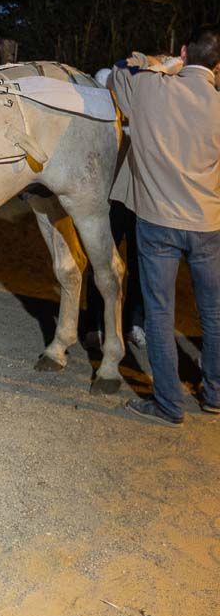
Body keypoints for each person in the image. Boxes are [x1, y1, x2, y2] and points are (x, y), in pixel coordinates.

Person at [110, 26, 220, 425]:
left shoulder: (152, 89)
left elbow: (117, 71)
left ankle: (169, 404)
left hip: (158, 221)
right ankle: (215, 393)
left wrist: (160, 64)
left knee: (160, 313)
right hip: (208, 224)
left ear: (184, 52)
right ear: (219, 66)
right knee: (214, 312)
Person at [85, 68, 145, 349]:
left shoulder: (146, 114)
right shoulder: (103, 114)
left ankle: (134, 323)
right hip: (110, 199)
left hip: (140, 200)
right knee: (101, 260)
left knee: (139, 264)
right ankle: (94, 324)